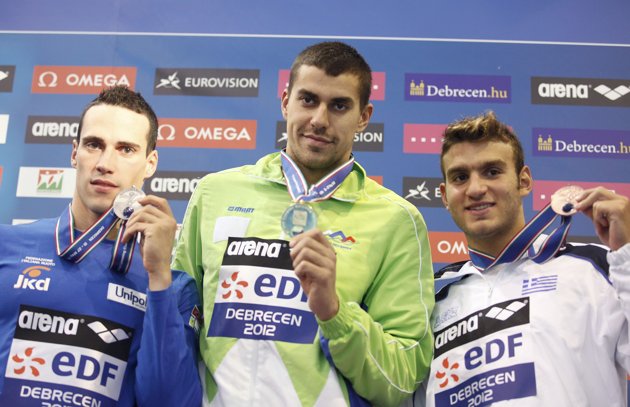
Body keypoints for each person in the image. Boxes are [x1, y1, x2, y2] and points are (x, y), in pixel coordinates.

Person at [173, 41, 434, 406]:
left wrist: (334, 313)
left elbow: (402, 378)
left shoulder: (396, 220)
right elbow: (176, 329)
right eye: (308, 100)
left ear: (364, 117)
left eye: (339, 106)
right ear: (286, 101)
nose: (320, 120)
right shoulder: (214, 192)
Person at [0, 85, 202, 406]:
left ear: (150, 163)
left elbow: (169, 401)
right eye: (94, 145)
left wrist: (158, 278)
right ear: (74, 153)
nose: (105, 163)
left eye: (126, 149)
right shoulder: (7, 245)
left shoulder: (173, 287)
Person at [416, 111, 630, 406]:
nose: (476, 189)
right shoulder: (430, 300)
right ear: (444, 195)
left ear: (524, 181)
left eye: (492, 172)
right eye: (460, 177)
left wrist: (627, 254)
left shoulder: (596, 267)